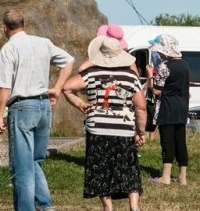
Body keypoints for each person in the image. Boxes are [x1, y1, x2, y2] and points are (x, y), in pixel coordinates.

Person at [0, 10, 74, 211]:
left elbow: (4, 86)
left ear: (5, 28)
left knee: (22, 166)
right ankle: (45, 206)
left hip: (22, 107)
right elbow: (69, 61)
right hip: (44, 106)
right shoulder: (43, 42)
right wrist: (56, 88)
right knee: (34, 160)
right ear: (24, 24)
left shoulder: (9, 48)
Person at [62, 36, 146, 211]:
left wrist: (80, 104)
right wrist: (141, 132)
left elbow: (67, 88)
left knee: (101, 168)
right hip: (124, 128)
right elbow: (140, 107)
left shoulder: (91, 74)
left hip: (98, 128)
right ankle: (134, 206)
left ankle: (108, 207)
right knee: (129, 167)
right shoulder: (131, 76)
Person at [149, 34, 189, 185]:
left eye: (159, 51)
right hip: (182, 107)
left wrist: (150, 77)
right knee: (180, 141)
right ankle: (182, 177)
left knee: (167, 141)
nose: (158, 54)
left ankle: (165, 177)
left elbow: (157, 91)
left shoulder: (165, 66)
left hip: (167, 107)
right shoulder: (185, 64)